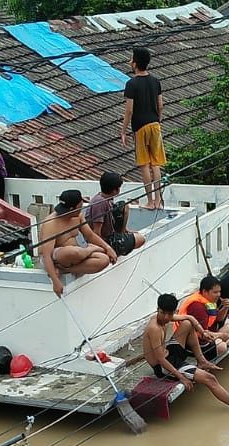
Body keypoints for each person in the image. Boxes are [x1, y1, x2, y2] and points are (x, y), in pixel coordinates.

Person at [144, 294, 229, 411]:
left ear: (174, 312)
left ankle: (201, 361)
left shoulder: (165, 317)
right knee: (209, 378)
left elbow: (190, 318)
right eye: (163, 313)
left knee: (188, 324)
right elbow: (160, 359)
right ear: (157, 310)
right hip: (163, 367)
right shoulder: (154, 328)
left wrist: (203, 332)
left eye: (169, 314)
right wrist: (181, 377)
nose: (166, 317)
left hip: (169, 353)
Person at [39, 189, 118, 297]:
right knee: (73, 252)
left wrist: (108, 248)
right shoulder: (50, 223)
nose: (81, 209)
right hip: (58, 257)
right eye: (80, 207)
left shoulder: (78, 216)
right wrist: (55, 281)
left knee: (104, 260)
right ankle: (90, 249)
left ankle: (66, 269)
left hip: (77, 255)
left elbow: (90, 235)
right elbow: (46, 255)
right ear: (72, 209)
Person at [120, 47, 166, 210]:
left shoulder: (131, 84)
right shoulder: (155, 81)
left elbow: (129, 110)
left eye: (131, 59)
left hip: (140, 127)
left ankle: (150, 201)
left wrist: (123, 130)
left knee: (144, 164)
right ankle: (159, 200)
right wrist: (158, 121)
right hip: (155, 125)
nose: (129, 62)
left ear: (136, 63)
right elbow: (160, 105)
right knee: (156, 164)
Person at [177, 276, 229, 359]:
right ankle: (225, 343)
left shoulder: (208, 299)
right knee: (222, 347)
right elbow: (202, 334)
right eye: (215, 292)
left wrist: (225, 307)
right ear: (205, 291)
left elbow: (218, 319)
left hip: (207, 331)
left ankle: (221, 341)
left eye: (219, 292)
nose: (219, 295)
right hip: (194, 342)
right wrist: (221, 335)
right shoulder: (198, 308)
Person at [86, 171, 146, 257]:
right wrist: (106, 249)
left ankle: (123, 231)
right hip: (104, 239)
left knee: (124, 205)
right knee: (141, 239)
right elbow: (96, 232)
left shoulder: (105, 198)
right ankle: (117, 243)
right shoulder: (100, 203)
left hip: (110, 231)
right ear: (115, 190)